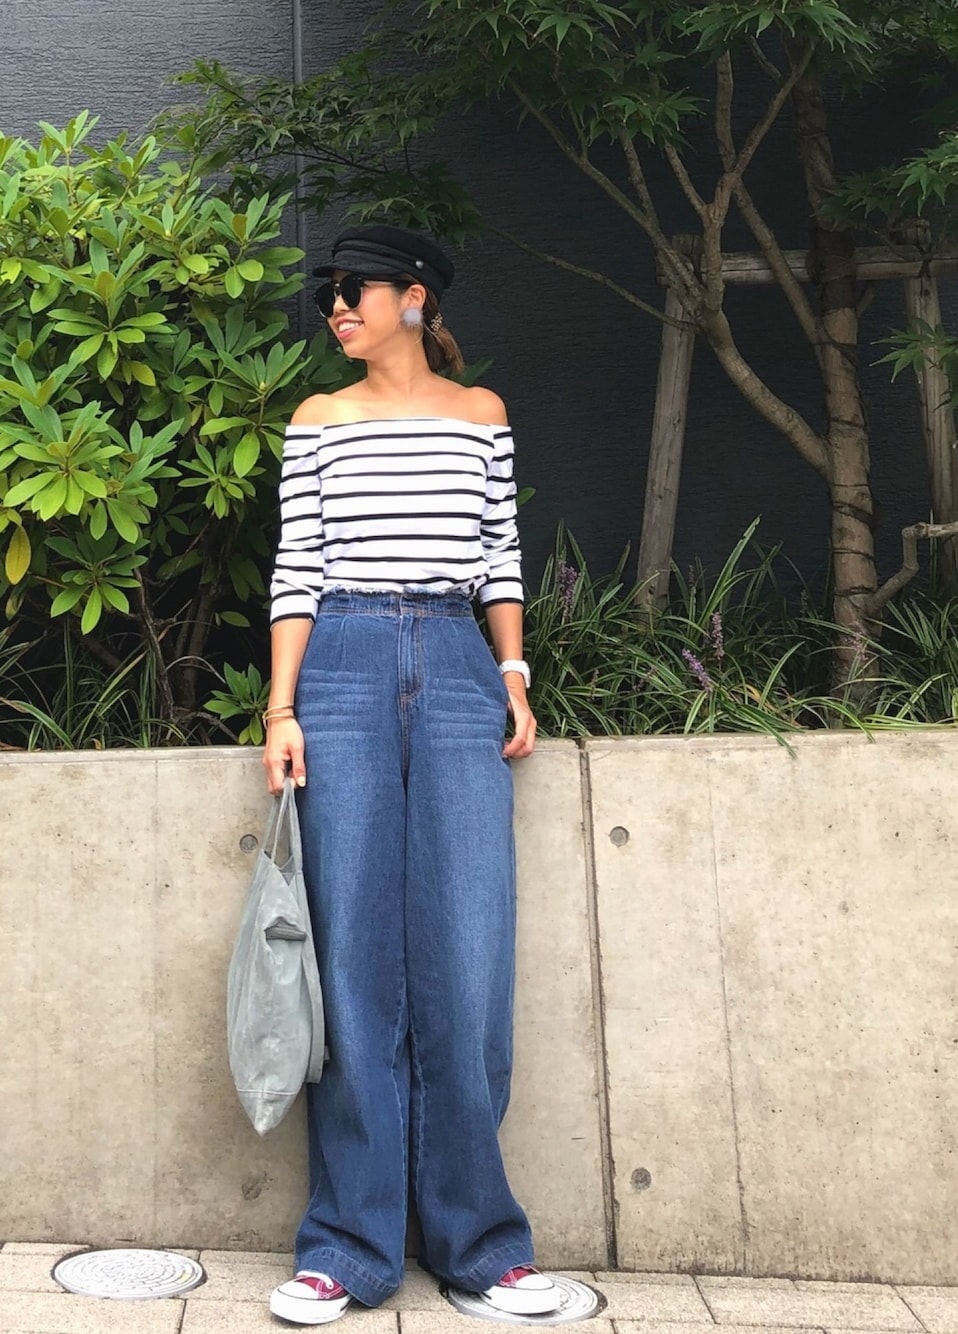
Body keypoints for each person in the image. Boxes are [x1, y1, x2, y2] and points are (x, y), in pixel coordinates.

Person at [261, 223, 559, 1326]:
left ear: (416, 298)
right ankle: (347, 1248)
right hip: (339, 667)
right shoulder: (317, 419)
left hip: (456, 661)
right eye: (329, 294)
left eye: (355, 289)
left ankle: (481, 1246)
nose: (337, 308)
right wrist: (281, 708)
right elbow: (298, 566)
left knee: (468, 952)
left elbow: (499, 554)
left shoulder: (481, 415)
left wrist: (513, 676)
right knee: (352, 958)